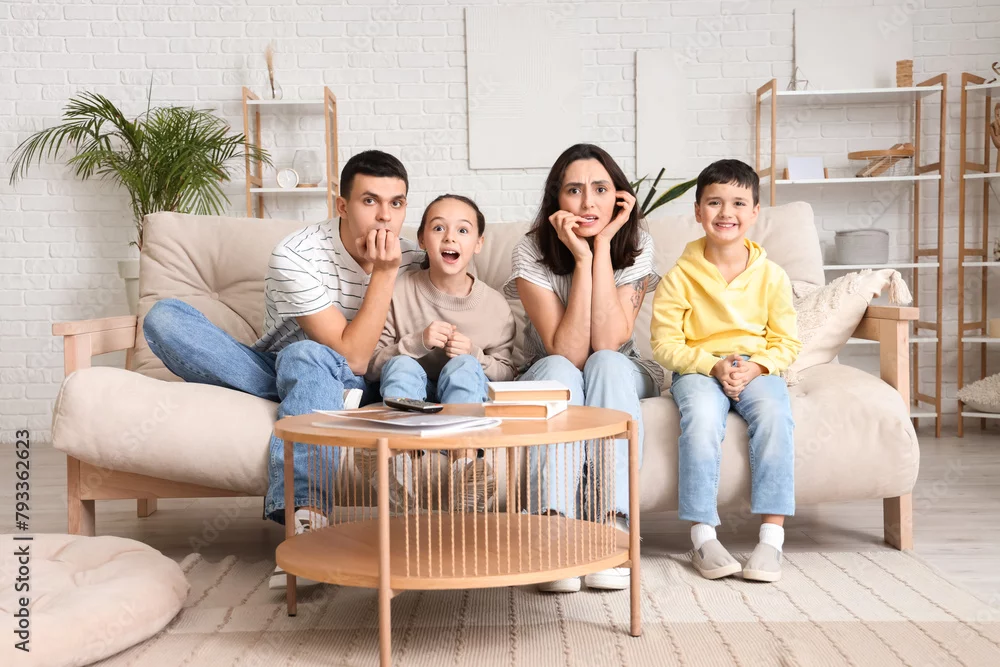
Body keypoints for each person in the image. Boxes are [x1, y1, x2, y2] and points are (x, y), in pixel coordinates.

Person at [142, 150, 424, 590]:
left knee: (306, 357)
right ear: (342, 205)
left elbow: (361, 362)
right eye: (370, 201)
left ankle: (306, 520)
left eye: (397, 203)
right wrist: (384, 275)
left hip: (372, 380)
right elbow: (349, 353)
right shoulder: (298, 254)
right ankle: (319, 399)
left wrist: (391, 271)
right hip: (285, 365)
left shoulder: (415, 258)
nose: (385, 217)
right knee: (166, 320)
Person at [503, 143, 663, 594]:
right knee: (562, 369)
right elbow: (569, 351)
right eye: (574, 190)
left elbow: (607, 342)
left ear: (619, 197)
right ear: (557, 199)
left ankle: (613, 524)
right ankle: (552, 528)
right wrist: (583, 258)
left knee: (607, 362)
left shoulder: (637, 243)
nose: (588, 202)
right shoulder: (530, 249)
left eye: (600, 189)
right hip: (551, 369)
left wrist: (605, 246)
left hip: (619, 370)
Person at [649, 158, 801, 583]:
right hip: (698, 370)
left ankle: (771, 540)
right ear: (698, 211)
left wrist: (757, 366)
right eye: (714, 202)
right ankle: (703, 536)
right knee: (700, 419)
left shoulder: (772, 276)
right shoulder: (679, 277)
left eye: (738, 203)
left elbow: (787, 343)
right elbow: (664, 344)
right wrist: (711, 365)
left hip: (756, 368)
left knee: (775, 415)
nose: (725, 212)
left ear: (755, 212)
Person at [364, 194, 517, 513]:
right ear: (422, 239)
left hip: (463, 395)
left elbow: (508, 374)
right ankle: (400, 464)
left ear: (478, 243)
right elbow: (371, 366)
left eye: (463, 230)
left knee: (464, 365)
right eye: (438, 228)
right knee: (402, 364)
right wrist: (416, 342)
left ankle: (465, 466)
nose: (450, 238)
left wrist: (475, 354)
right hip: (408, 394)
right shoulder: (398, 290)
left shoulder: (495, 306)